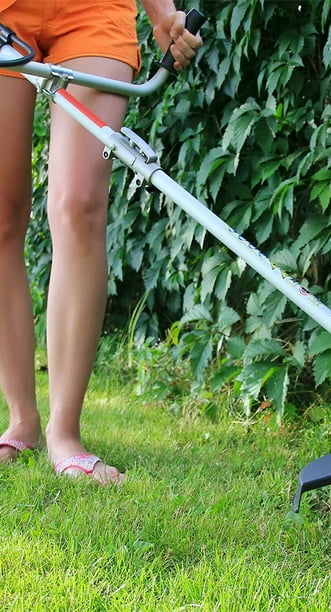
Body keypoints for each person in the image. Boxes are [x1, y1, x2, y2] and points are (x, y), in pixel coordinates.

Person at [0, 0, 202, 482]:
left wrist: (162, 14)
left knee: (79, 203)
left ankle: (64, 432)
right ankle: (22, 420)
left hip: (91, 12)